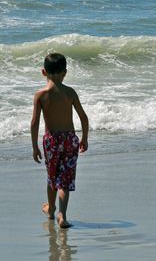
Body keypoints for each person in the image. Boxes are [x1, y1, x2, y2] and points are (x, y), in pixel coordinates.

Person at [30, 53, 89, 228]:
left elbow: (34, 123)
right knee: (65, 179)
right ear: (65, 72)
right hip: (70, 139)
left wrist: (34, 147)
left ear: (43, 72)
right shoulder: (70, 92)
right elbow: (84, 118)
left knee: (52, 177)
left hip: (51, 141)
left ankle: (51, 208)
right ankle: (62, 214)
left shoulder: (41, 95)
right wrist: (85, 138)